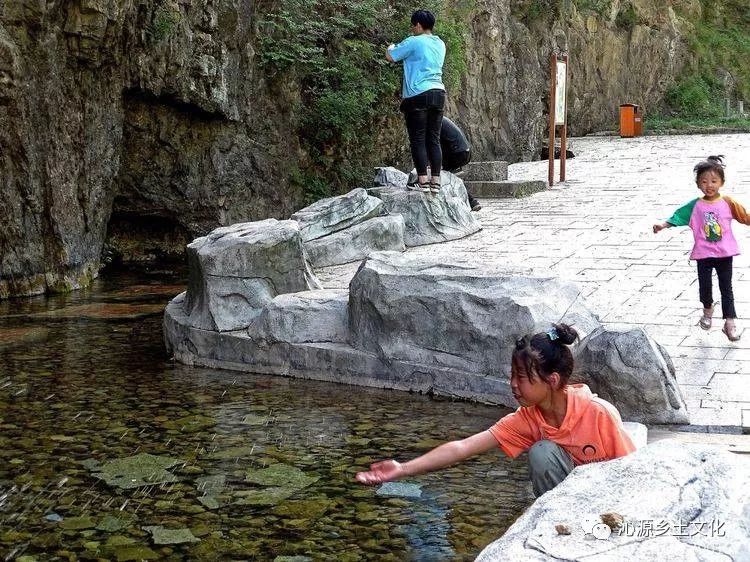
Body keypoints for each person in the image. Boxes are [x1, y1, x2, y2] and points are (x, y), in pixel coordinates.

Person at [355, 324, 635, 497]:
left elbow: (633, 472)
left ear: (552, 380)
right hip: (567, 505)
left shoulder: (599, 414)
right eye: (512, 375)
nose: (512, 385)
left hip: (608, 499)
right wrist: (402, 469)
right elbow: (463, 448)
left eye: (522, 378)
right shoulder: (528, 418)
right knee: (543, 453)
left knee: (542, 451)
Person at [653, 155, 749, 341]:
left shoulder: (728, 202)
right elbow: (679, 216)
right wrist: (663, 225)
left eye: (714, 181)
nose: (709, 185)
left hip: (724, 254)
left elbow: (745, 216)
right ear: (698, 184)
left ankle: (730, 323)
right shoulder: (695, 205)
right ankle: (707, 310)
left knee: (726, 288)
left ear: (722, 182)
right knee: (705, 287)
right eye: (704, 181)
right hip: (703, 254)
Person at [387, 10, 446, 194]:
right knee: (434, 139)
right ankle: (435, 181)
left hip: (418, 94)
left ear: (419, 25)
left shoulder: (413, 41)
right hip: (439, 92)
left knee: (418, 139)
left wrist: (390, 47)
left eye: (413, 25)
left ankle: (422, 181)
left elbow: (392, 56)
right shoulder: (440, 43)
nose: (412, 29)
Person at [441, 116, 481, 211]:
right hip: (465, 151)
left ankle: (469, 202)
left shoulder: (432, 120)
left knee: (442, 175)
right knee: (449, 175)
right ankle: (472, 202)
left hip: (457, 152)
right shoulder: (439, 117)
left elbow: (434, 144)